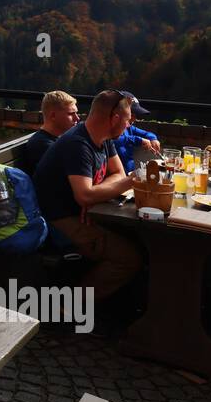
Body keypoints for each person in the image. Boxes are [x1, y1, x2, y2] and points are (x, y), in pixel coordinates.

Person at [32, 89, 143, 302]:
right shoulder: (78, 144)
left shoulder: (103, 136)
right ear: (115, 118)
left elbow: (116, 173)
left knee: (138, 239)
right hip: (59, 220)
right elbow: (85, 195)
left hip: (86, 212)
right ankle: (71, 306)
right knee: (128, 258)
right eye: (128, 121)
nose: (129, 126)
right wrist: (129, 182)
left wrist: (96, 193)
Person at [15, 91, 79, 175]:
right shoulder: (43, 145)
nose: (77, 118)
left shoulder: (56, 140)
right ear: (53, 116)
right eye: (71, 114)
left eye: (76, 113)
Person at [112, 91, 161, 174]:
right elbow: (114, 140)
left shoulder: (129, 128)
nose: (134, 118)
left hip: (130, 173)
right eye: (132, 113)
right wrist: (139, 140)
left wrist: (153, 139)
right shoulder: (109, 132)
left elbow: (146, 134)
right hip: (118, 175)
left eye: (136, 115)